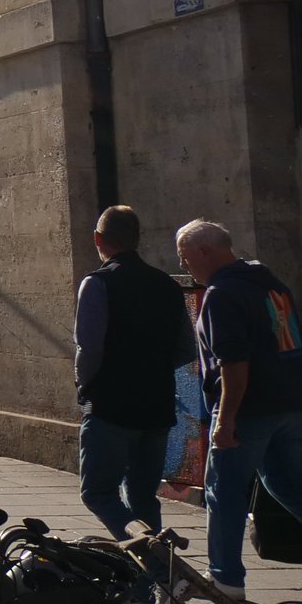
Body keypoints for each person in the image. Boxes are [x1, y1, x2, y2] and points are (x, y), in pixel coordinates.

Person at [177, 218, 302, 594]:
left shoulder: (221, 294)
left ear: (203, 251)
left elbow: (234, 363)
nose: (184, 266)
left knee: (223, 489)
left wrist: (225, 421)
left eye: (184, 257)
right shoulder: (273, 287)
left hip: (249, 409)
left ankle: (225, 577)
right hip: (295, 404)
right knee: (288, 484)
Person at [73, 204, 195, 539]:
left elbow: (89, 348)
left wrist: (83, 387)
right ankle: (152, 585)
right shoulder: (168, 287)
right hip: (157, 407)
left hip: (110, 407)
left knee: (98, 493)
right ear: (137, 239)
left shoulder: (98, 284)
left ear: (98, 238)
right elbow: (187, 347)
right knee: (143, 497)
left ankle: (153, 565)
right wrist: (151, 369)